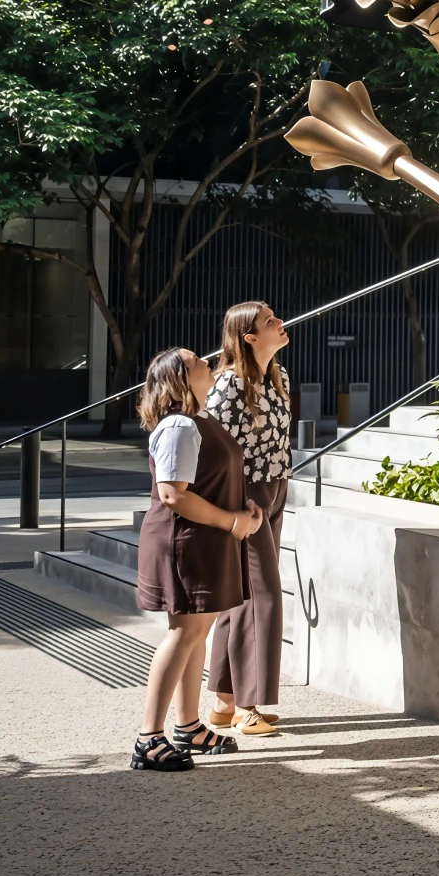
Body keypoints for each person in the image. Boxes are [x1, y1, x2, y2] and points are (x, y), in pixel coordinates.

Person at [132, 347, 263, 772]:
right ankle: (149, 739)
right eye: (196, 362)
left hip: (205, 538)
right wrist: (231, 521)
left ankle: (187, 726)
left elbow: (210, 478)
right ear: (180, 379)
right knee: (183, 633)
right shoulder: (178, 426)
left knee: (196, 632)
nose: (206, 362)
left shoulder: (201, 421)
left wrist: (243, 509)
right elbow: (173, 494)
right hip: (185, 541)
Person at [204, 301, 293, 737]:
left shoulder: (278, 379)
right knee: (263, 596)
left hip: (275, 490)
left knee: (242, 598)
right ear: (249, 337)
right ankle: (247, 706)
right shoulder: (227, 386)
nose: (280, 323)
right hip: (247, 499)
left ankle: (222, 702)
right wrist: (232, 508)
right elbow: (216, 451)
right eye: (270, 321)